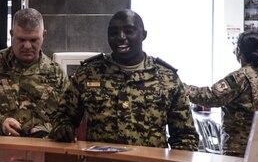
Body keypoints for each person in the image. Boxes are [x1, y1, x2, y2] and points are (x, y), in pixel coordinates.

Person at [64, 10, 197, 151]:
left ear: (144, 35)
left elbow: (185, 137)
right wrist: (63, 128)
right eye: (114, 33)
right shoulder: (88, 73)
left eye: (129, 31)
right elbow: (64, 117)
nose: (121, 37)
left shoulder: (167, 77)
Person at [0, 8, 71, 138]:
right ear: (12, 34)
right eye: (21, 40)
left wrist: (49, 128)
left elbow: (68, 119)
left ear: (44, 35)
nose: (27, 46)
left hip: (42, 152)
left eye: (34, 40)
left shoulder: (57, 74)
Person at [185, 32, 258, 157]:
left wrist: (182, 88)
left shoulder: (239, 78)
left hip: (238, 149)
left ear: (238, 51)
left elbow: (210, 97)